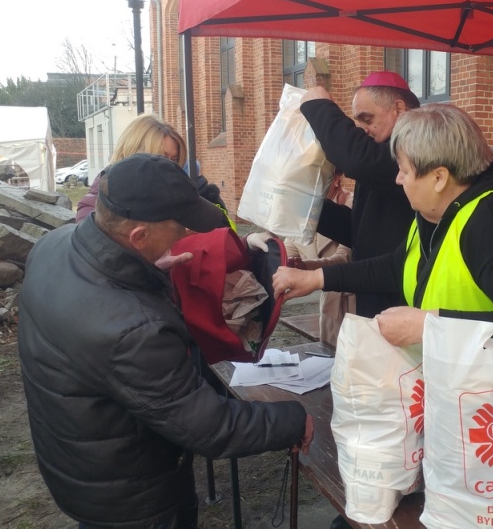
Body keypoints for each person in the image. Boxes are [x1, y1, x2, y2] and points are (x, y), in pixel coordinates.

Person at [18, 153, 313, 528]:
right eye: (180, 230)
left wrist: (149, 276)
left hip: (78, 463)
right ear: (138, 236)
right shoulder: (133, 331)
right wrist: (293, 419)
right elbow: (208, 426)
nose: (189, 236)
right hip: (134, 498)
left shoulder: (54, 246)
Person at [273, 104, 493, 347]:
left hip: (489, 406)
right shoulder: (436, 212)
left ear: (439, 178)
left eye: (404, 170)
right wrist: (316, 278)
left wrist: (430, 326)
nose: (398, 179)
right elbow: (397, 266)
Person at [298, 71, 418, 319]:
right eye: (358, 122)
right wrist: (309, 207)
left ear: (399, 109)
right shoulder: (380, 157)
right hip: (375, 291)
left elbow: (358, 159)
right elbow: (363, 232)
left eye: (367, 118)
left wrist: (320, 107)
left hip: (404, 300)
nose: (362, 129)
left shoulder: (416, 148)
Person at [75, 113, 231, 229]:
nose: (169, 167)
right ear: (133, 151)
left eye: (174, 160)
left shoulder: (180, 194)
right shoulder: (97, 204)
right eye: (160, 157)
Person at [283, 175, 355, 347]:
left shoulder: (352, 207)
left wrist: (307, 269)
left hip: (354, 304)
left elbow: (346, 258)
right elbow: (287, 252)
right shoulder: (305, 211)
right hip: (330, 304)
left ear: (336, 179)